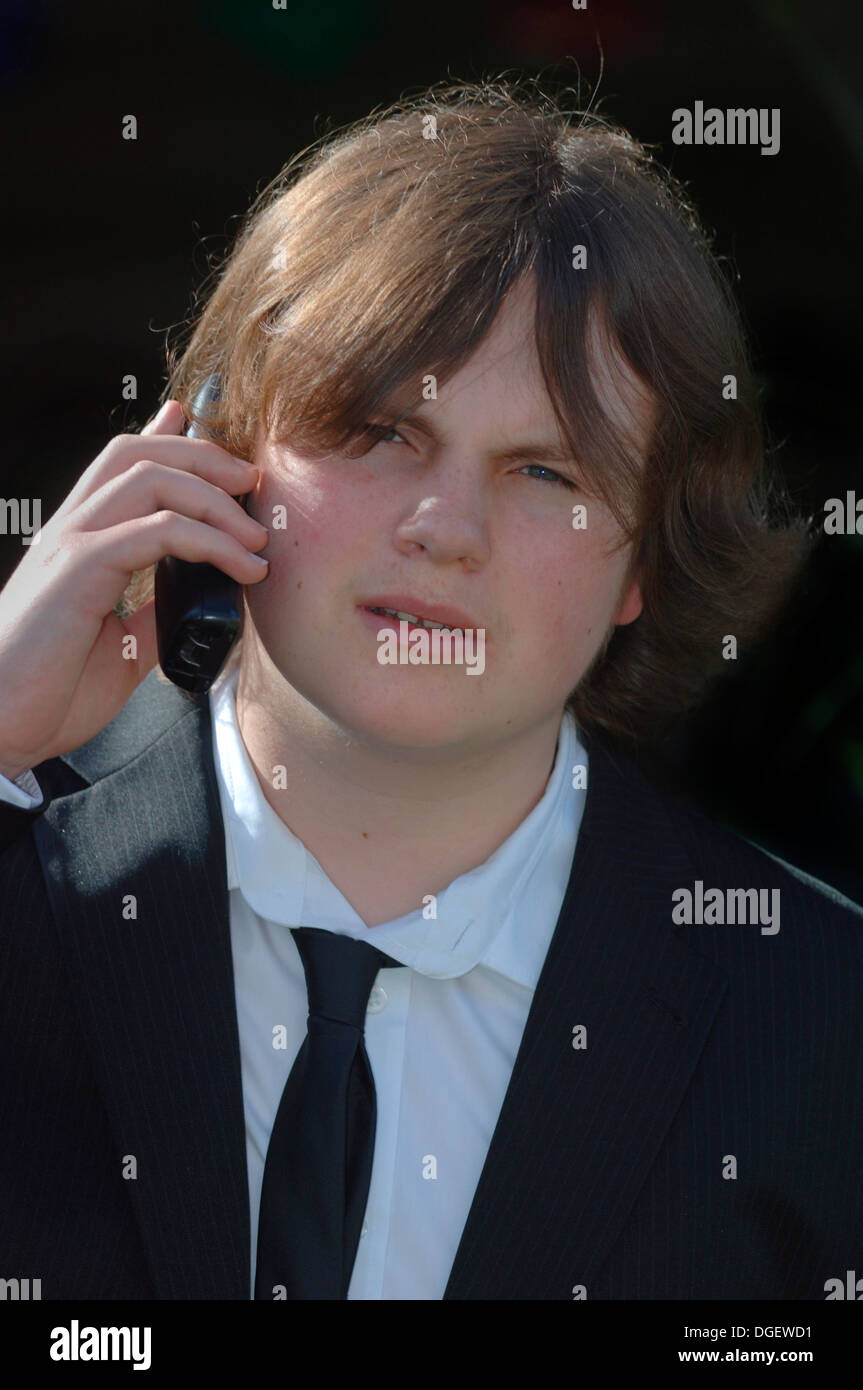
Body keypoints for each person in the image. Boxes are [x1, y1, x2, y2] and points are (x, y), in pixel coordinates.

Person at [1, 78, 861, 1302]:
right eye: (380, 431)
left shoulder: (822, 1027)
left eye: (545, 470)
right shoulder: (23, 871)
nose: (445, 528)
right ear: (215, 455)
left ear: (644, 561)